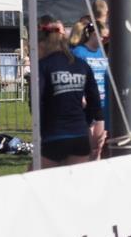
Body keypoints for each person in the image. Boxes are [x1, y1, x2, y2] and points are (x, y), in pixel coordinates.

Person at [36, 19, 104, 168]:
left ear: (43, 44)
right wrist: (86, 122)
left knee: (44, 183)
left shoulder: (43, 66)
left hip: (53, 135)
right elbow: (95, 100)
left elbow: (36, 101)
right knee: (75, 185)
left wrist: (40, 129)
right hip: (79, 134)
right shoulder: (81, 65)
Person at [71, 21, 109, 158]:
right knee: (86, 145)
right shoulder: (78, 52)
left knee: (99, 144)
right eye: (103, 37)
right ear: (94, 34)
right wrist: (80, 96)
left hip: (101, 103)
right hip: (85, 104)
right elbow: (73, 75)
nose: (105, 40)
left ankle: (96, 169)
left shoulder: (103, 52)